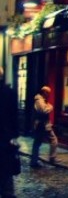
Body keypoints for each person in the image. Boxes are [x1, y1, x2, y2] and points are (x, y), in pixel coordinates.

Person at [0, 68, 19, 198]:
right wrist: (13, 135)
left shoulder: (8, 93)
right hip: (5, 139)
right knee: (6, 174)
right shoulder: (9, 92)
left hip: (4, 139)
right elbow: (14, 116)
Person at [30, 85, 57, 168]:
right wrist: (51, 107)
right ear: (44, 92)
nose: (49, 94)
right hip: (41, 125)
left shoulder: (42, 100)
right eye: (48, 93)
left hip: (44, 124)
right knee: (42, 142)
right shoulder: (39, 100)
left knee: (40, 142)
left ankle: (35, 161)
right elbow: (44, 111)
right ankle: (36, 161)